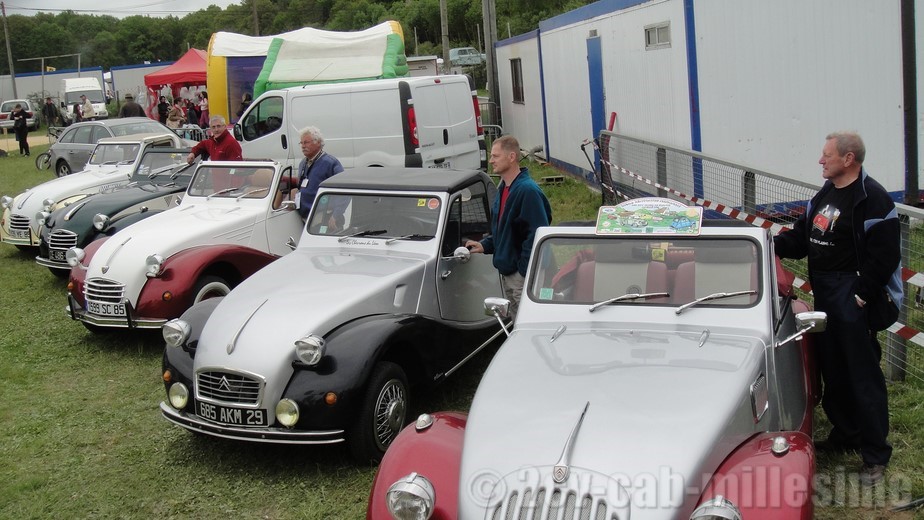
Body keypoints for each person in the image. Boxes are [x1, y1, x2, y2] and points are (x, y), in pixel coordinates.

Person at [773, 131, 901, 487]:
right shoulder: (825, 195)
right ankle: (846, 434)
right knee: (834, 370)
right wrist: (770, 243)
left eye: (826, 155)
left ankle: (875, 455)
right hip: (827, 294)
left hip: (853, 295)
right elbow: (803, 239)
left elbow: (885, 256)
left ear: (848, 159)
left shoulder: (873, 199)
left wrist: (861, 296)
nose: (820, 160)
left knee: (862, 376)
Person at [465, 135, 552, 319]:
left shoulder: (527, 191)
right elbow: (506, 229)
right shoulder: (504, 188)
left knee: (528, 322)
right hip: (509, 273)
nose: (491, 160)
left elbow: (537, 234)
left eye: (496, 156)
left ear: (512, 157)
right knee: (516, 321)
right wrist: (486, 244)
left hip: (523, 276)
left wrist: (523, 271)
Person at [293, 126, 344, 221]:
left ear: (318, 143)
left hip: (323, 216)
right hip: (304, 216)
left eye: (306, 142)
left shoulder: (330, 163)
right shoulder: (303, 163)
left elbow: (343, 190)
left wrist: (336, 215)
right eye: (301, 143)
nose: (303, 146)